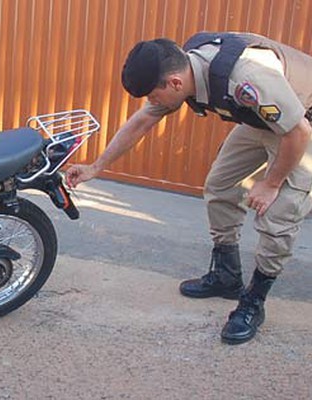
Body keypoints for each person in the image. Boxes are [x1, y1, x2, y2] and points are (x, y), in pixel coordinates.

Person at [66, 32, 312, 344]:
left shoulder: (247, 78)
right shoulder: (185, 69)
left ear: (175, 84)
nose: (151, 103)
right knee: (221, 185)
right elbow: (141, 122)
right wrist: (96, 167)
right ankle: (226, 276)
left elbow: (298, 132)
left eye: (153, 96)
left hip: (302, 123)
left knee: (279, 213)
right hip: (265, 119)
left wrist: (271, 183)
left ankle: (254, 301)